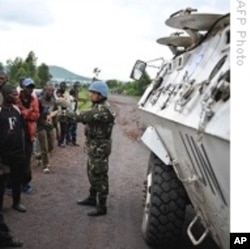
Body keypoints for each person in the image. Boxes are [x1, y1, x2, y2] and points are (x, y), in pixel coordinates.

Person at [73, 81, 115, 216]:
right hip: (95, 147)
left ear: (100, 94)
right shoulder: (98, 106)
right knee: (92, 173)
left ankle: (102, 206)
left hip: (99, 148)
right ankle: (92, 198)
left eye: (93, 93)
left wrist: (58, 114)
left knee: (99, 176)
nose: (90, 94)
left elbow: (81, 116)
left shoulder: (103, 109)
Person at [0, 84, 27, 212]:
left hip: (17, 152)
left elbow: (21, 128)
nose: (17, 97)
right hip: (3, 154)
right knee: (2, 182)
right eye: (14, 94)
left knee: (17, 179)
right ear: (6, 96)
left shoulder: (16, 109)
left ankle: (16, 202)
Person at [17, 78, 40, 194]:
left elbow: (36, 115)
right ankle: (12, 185)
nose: (30, 89)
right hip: (16, 134)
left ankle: (25, 183)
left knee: (26, 159)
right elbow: (16, 114)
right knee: (15, 159)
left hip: (28, 134)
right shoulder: (16, 98)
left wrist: (25, 112)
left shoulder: (34, 99)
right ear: (23, 87)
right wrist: (28, 111)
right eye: (28, 87)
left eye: (31, 87)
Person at [37, 83, 58, 173]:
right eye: (48, 90)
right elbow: (36, 112)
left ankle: (39, 156)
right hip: (41, 125)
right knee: (44, 147)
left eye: (52, 90)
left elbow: (56, 110)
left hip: (50, 125)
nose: (50, 92)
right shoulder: (40, 100)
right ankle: (45, 166)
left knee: (51, 146)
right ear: (45, 90)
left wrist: (53, 115)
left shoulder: (54, 100)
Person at [55, 81, 71, 147]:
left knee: (64, 128)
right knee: (56, 128)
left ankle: (61, 141)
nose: (63, 88)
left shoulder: (66, 93)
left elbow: (68, 103)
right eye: (62, 86)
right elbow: (56, 101)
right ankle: (58, 140)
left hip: (64, 112)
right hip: (56, 112)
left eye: (64, 86)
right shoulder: (56, 92)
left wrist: (61, 100)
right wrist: (63, 100)